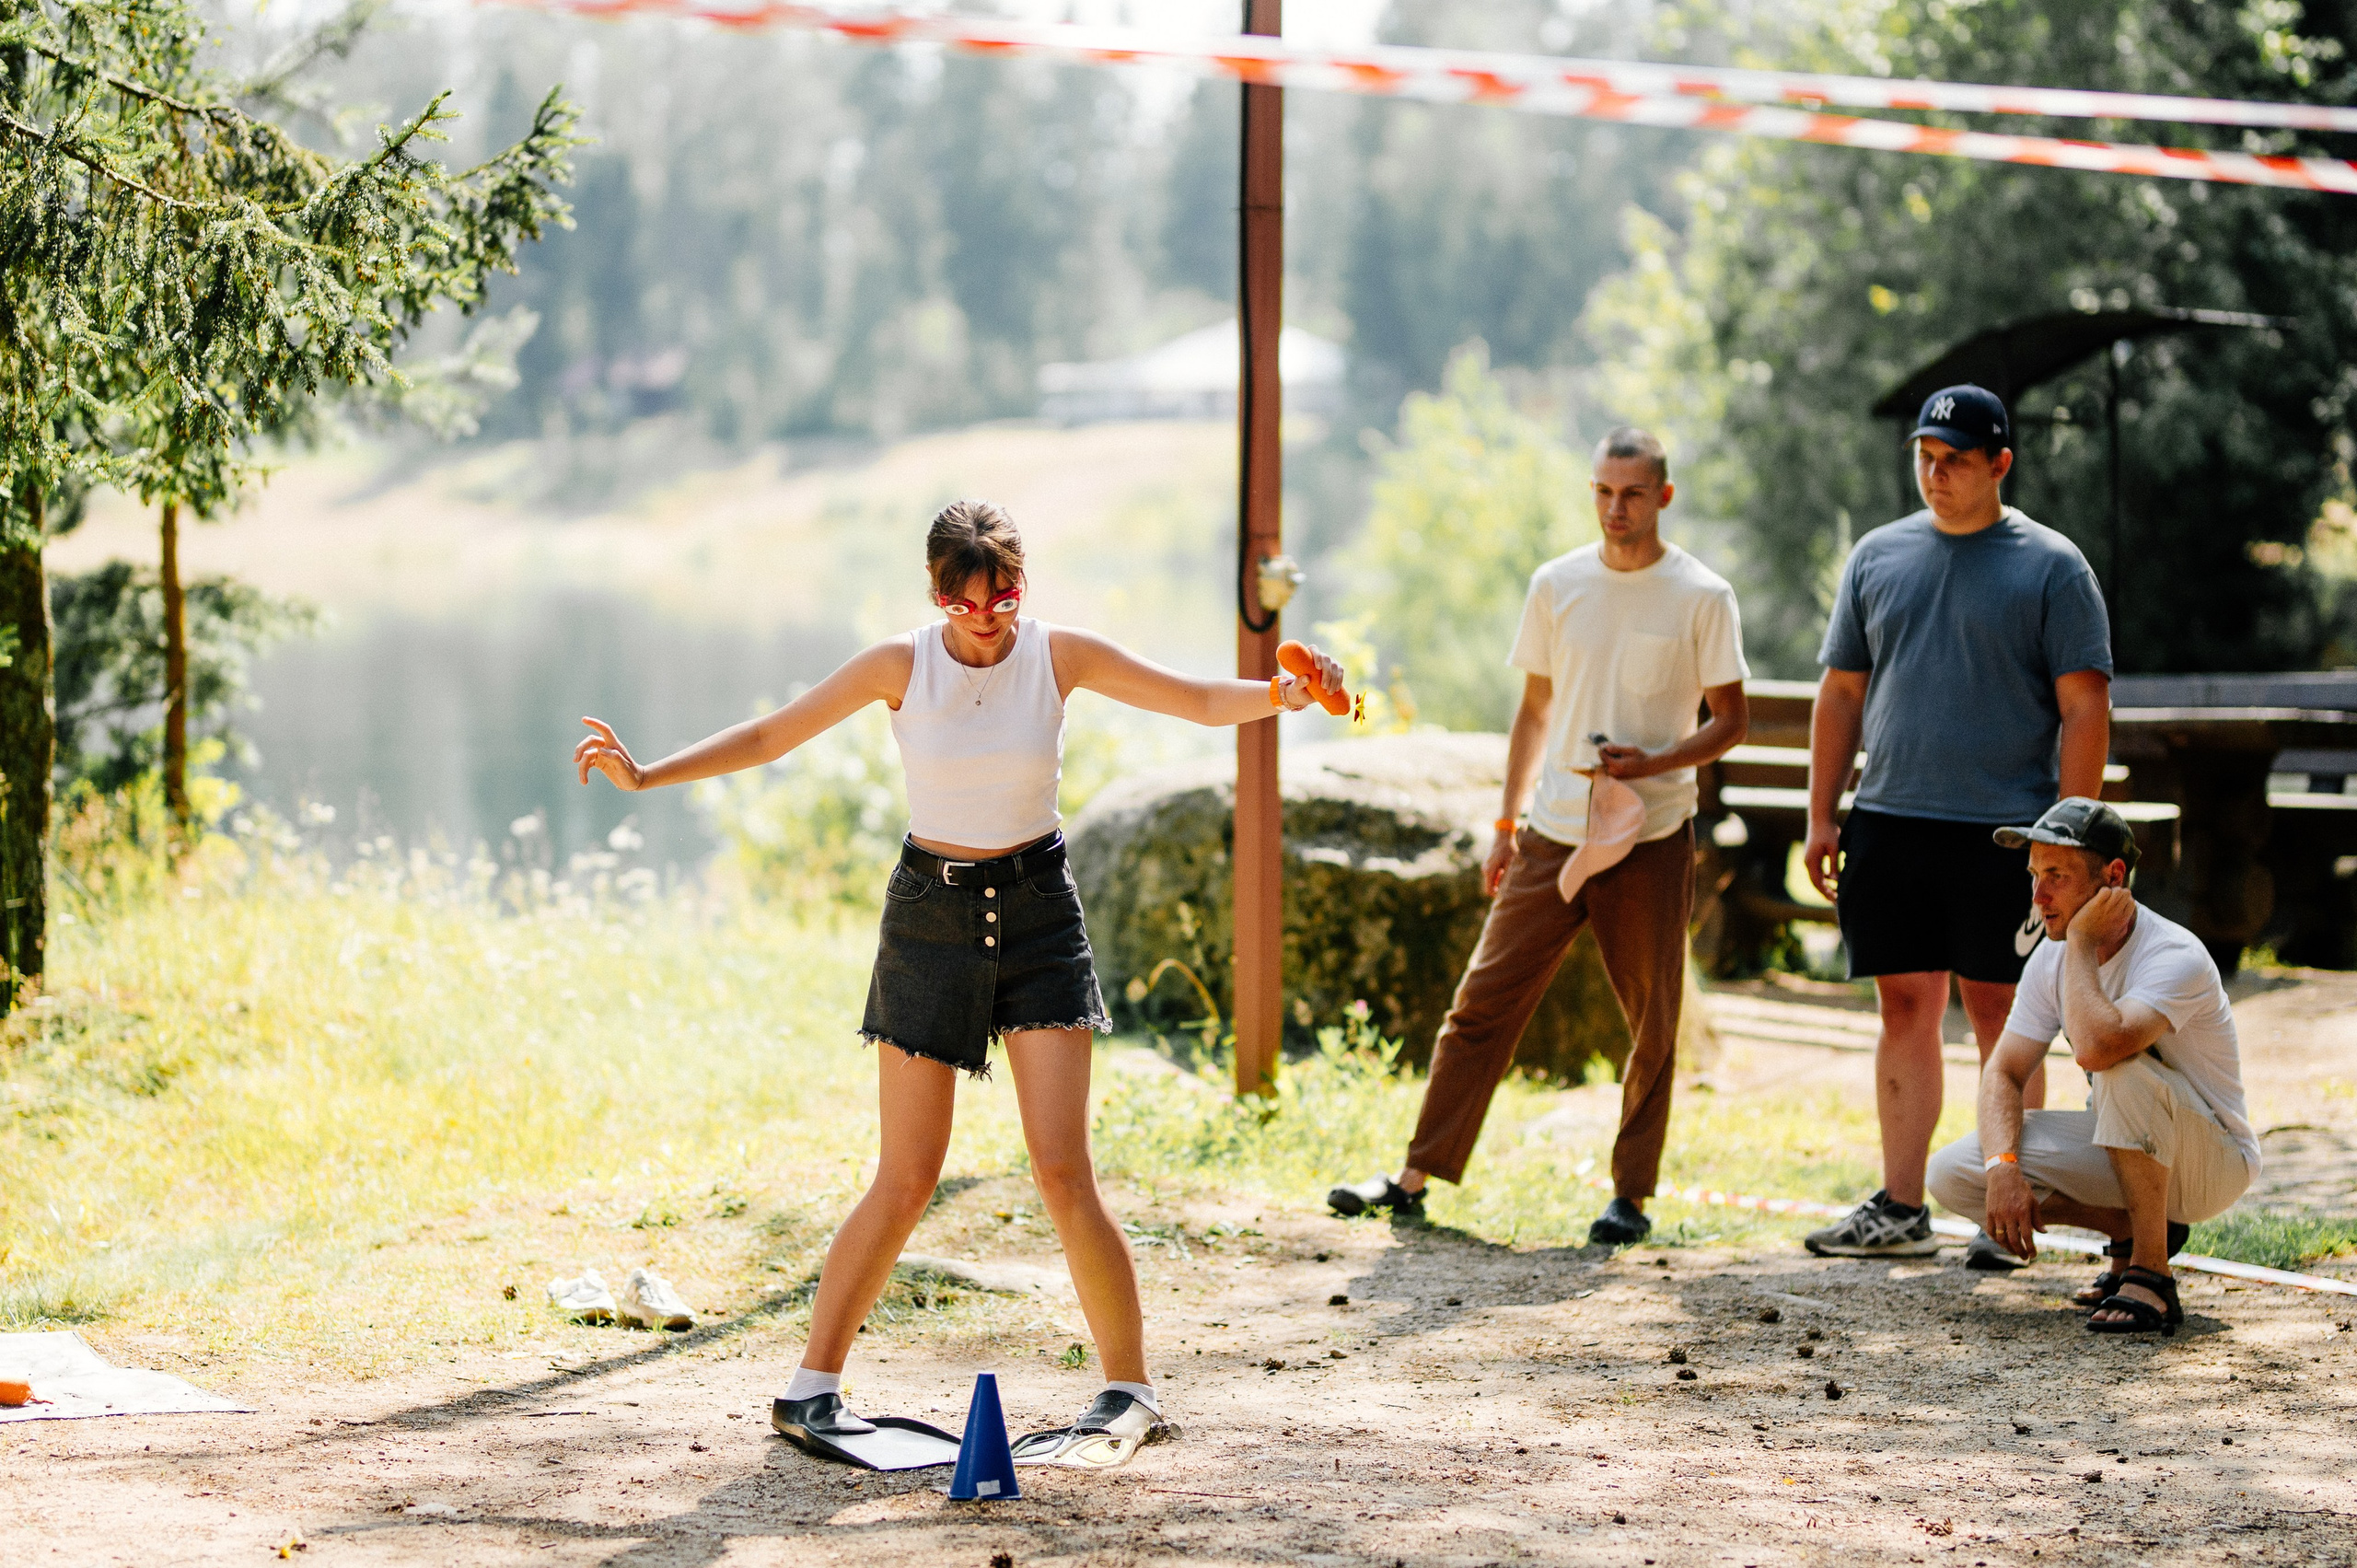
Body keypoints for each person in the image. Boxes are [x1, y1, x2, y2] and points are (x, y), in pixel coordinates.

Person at [574, 499, 1345, 1462]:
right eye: (961, 596)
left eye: (1003, 593)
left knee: (1065, 1170)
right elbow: (775, 734)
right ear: (934, 591)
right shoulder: (900, 663)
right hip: (930, 919)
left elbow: (1193, 699)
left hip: (1036, 912)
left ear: (1024, 585)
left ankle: (1129, 1388)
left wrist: (1284, 695)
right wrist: (647, 775)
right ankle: (810, 1388)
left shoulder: (1060, 656)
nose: (984, 615)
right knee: (907, 1174)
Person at [1326, 426, 1749, 1246]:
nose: (1615, 507)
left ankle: (1630, 1195)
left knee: (1653, 1024)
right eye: (1602, 491)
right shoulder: (1557, 584)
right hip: (1553, 830)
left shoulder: (1702, 594)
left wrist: (1657, 759)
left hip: (1652, 836)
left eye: (1631, 493)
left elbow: (1731, 720)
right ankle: (1414, 1177)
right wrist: (1504, 823)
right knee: (1481, 1005)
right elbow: (1534, 710)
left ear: (1662, 496)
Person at [1802, 385, 2113, 1264]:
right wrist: (1821, 814)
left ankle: (2002, 1210)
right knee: (1903, 1005)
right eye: (1925, 458)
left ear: (2001, 464)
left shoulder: (2054, 567)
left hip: (2007, 834)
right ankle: (1901, 1207)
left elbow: (2085, 708)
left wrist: (2069, 839)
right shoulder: (1877, 556)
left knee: (2002, 1014)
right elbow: (1843, 693)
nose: (1936, 475)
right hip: (1892, 821)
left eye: (1957, 462)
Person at [1925, 798, 2256, 1333]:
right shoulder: (2050, 957)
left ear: (2114, 877)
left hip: (2211, 1162)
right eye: (2034, 875)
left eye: (2056, 875)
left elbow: (2099, 1048)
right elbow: (2005, 1073)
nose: (2038, 895)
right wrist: (2003, 1165)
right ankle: (2130, 1228)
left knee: (2121, 1066)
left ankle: (2151, 1273)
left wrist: (2079, 941)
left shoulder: (2175, 954)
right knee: (1955, 1173)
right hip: (2127, 1145)